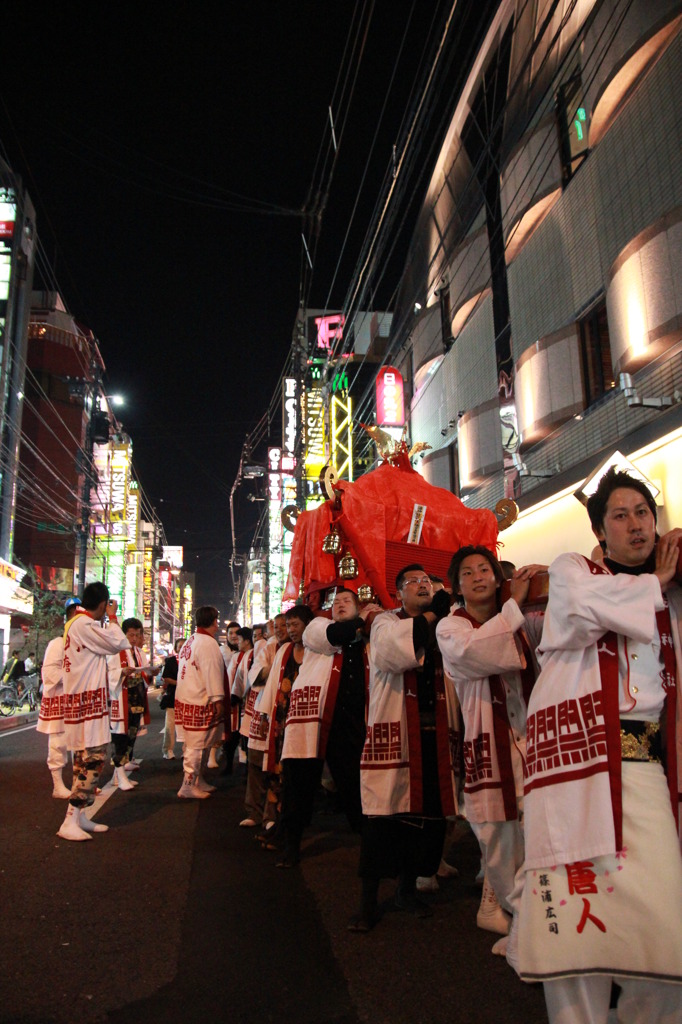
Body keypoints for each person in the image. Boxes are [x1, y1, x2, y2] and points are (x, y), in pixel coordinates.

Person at [517, 468, 682, 1023]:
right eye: (620, 514)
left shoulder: (671, 590)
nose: (636, 524)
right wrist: (655, 583)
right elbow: (583, 612)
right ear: (600, 531)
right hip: (578, 768)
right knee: (576, 914)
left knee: (662, 920)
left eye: (644, 513)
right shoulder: (574, 571)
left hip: (647, 770)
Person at [436, 547, 544, 955]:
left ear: (499, 577)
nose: (479, 576)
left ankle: (534, 931)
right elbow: (475, 653)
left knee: (537, 834)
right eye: (468, 572)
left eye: (486, 569)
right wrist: (514, 604)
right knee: (498, 843)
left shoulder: (523, 617)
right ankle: (518, 923)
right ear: (457, 586)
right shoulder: (450, 628)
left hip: (532, 738)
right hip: (489, 744)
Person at [350, 565, 456, 931]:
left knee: (426, 818)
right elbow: (393, 653)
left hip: (434, 732)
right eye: (414, 582)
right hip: (395, 732)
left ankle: (407, 889)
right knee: (383, 819)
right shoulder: (383, 623)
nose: (423, 585)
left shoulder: (445, 622)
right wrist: (433, 614)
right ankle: (366, 902)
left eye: (427, 581)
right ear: (397, 594)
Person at [277, 588, 381, 867]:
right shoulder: (318, 628)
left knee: (355, 787)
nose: (340, 604)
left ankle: (369, 851)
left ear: (358, 607)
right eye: (336, 601)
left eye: (348, 601)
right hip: (312, 718)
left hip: (350, 722)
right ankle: (290, 845)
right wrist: (365, 618)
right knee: (298, 786)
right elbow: (339, 635)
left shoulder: (369, 640)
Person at [57, 582, 130, 841]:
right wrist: (112, 617)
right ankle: (70, 819)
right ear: (101, 604)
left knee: (82, 760)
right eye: (106, 605)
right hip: (88, 705)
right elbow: (120, 641)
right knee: (94, 759)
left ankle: (80, 817)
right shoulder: (85, 625)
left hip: (83, 702)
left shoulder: (77, 625)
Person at [249, 605, 315, 844]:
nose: (290, 630)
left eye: (295, 625)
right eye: (288, 625)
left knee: (296, 779)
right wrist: (266, 717)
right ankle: (278, 825)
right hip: (280, 724)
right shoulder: (284, 651)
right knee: (277, 776)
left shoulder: (316, 651)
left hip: (303, 726)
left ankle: (291, 829)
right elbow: (273, 683)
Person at [174, 605, 226, 799]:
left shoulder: (191, 640)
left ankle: (197, 779)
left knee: (198, 745)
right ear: (213, 621)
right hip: (200, 701)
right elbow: (212, 672)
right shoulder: (207, 643)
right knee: (196, 746)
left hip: (187, 699)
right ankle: (187, 785)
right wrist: (217, 699)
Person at [242, 613, 287, 826]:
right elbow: (255, 674)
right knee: (256, 762)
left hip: (284, 714)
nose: (279, 630)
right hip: (263, 710)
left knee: (277, 766)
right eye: (275, 626)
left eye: (284, 625)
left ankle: (272, 814)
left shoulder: (300, 648)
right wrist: (273, 669)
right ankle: (253, 812)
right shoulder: (270, 648)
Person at [36, 597, 82, 799]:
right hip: (59, 701)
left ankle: (79, 782)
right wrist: (73, 676)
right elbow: (50, 674)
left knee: (78, 743)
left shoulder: (80, 644)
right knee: (59, 743)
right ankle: (57, 785)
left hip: (75, 702)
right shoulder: (57, 643)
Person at [108, 618, 160, 788]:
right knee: (120, 737)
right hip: (122, 700)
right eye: (131, 635)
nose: (135, 639)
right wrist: (122, 672)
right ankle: (120, 773)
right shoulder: (115, 652)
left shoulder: (139, 653)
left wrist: (151, 672)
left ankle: (121, 772)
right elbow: (108, 673)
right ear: (124, 634)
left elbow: (145, 675)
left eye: (137, 635)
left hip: (137, 699)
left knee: (131, 735)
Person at [160, 637, 184, 759]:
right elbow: (166, 678)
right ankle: (168, 750)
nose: (182, 648)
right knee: (170, 725)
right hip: (172, 697)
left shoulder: (191, 660)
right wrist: (179, 683)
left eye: (185, 646)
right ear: (176, 649)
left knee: (186, 726)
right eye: (180, 646)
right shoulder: (171, 661)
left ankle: (186, 750)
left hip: (187, 698)